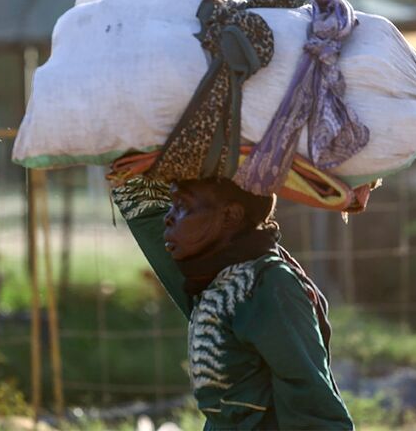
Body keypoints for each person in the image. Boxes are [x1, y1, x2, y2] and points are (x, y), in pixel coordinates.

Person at [112, 174, 354, 430]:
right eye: (172, 205)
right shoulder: (210, 278)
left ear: (230, 216)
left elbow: (312, 405)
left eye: (183, 206)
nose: (168, 218)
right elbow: (145, 211)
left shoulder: (269, 285)